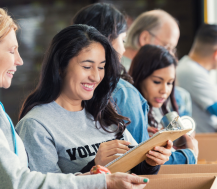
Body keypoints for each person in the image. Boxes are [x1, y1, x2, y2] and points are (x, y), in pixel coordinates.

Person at [0, 5, 148, 189]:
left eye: (101, 67)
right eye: (12, 51)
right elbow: (20, 184)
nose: (20, 60)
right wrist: (100, 178)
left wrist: (148, 160)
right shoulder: (25, 121)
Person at [16, 24, 172, 179]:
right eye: (87, 66)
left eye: (101, 67)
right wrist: (95, 167)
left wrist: (151, 161)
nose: (96, 77)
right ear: (60, 67)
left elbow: (136, 173)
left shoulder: (103, 111)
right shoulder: (36, 125)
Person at [71, 3, 195, 165]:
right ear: (106, 42)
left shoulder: (67, 89)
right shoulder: (123, 92)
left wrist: (143, 136)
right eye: (123, 40)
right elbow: (139, 162)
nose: (123, 49)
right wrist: (188, 155)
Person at [129, 44, 198, 164]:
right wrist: (189, 154)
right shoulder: (129, 113)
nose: (164, 90)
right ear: (140, 77)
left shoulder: (162, 110)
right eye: (157, 82)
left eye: (170, 83)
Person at [123, 9, 192, 117]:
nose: (171, 55)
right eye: (167, 47)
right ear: (144, 38)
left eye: (169, 83)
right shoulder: (121, 74)